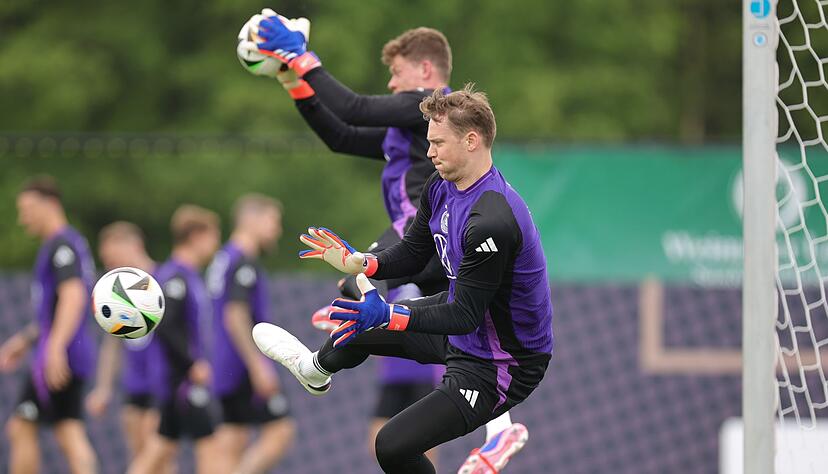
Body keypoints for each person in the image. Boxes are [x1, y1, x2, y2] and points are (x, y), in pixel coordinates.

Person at [241, 14, 526, 470]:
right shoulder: (410, 128)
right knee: (449, 333)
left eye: (396, 72)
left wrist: (301, 57)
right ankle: (498, 427)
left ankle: (322, 364)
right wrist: (292, 81)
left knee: (360, 289)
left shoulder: (427, 109)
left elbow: (354, 108)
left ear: (426, 71)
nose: (391, 83)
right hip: (428, 240)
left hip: (426, 233)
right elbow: (341, 135)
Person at [0, 176, 98, 473]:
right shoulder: (62, 245)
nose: (23, 218)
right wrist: (25, 341)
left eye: (28, 209)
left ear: (51, 204)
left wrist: (55, 347)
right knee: (63, 430)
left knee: (26, 427)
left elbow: (73, 296)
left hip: (60, 356)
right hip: (62, 350)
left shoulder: (62, 245)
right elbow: (54, 310)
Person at [206, 194, 296, 474]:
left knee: (232, 441)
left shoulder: (224, 258)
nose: (277, 230)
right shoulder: (243, 262)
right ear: (251, 220)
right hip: (242, 365)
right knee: (280, 430)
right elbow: (235, 315)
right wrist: (258, 365)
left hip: (225, 362)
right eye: (273, 221)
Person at [127, 205, 220, 474]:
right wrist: (192, 363)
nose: (215, 245)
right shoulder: (175, 277)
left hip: (178, 379)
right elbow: (165, 324)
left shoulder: (188, 275)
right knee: (209, 444)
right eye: (213, 237)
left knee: (160, 449)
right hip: (180, 379)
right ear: (196, 236)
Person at [85, 221, 161, 465]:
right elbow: (112, 343)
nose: (110, 266)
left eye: (113, 258)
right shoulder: (116, 294)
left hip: (162, 383)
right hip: (135, 384)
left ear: (133, 245)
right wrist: (103, 388)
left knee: (156, 459)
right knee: (138, 455)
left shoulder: (164, 281)